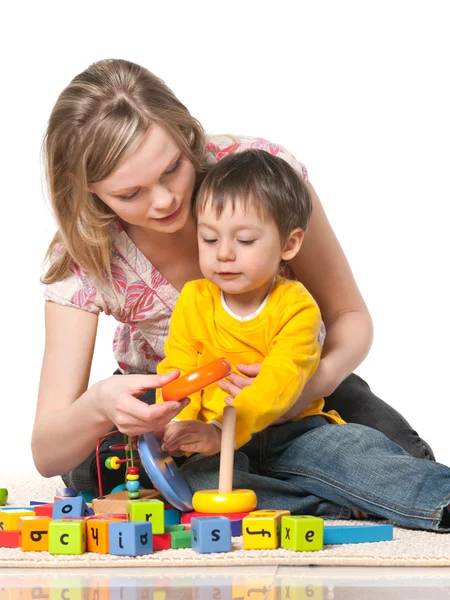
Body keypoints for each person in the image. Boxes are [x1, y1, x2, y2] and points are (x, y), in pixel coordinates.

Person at [32, 58, 433, 500]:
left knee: (408, 464)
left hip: (294, 375)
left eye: (172, 170)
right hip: (183, 404)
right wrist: (99, 403)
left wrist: (301, 392)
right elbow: (48, 453)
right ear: (83, 184)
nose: (165, 200)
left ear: (185, 132)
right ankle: (313, 489)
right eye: (130, 194)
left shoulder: (259, 175)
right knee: (97, 472)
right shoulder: (82, 254)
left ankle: (282, 482)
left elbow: (349, 316)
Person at [157, 149, 345, 457]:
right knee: (199, 479)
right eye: (209, 239)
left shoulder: (296, 306)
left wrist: (225, 432)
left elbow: (280, 379)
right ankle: (313, 500)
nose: (224, 254)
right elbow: (179, 369)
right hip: (213, 434)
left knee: (353, 452)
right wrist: (179, 423)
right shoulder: (194, 299)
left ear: (289, 244)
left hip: (289, 428)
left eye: (244, 241)